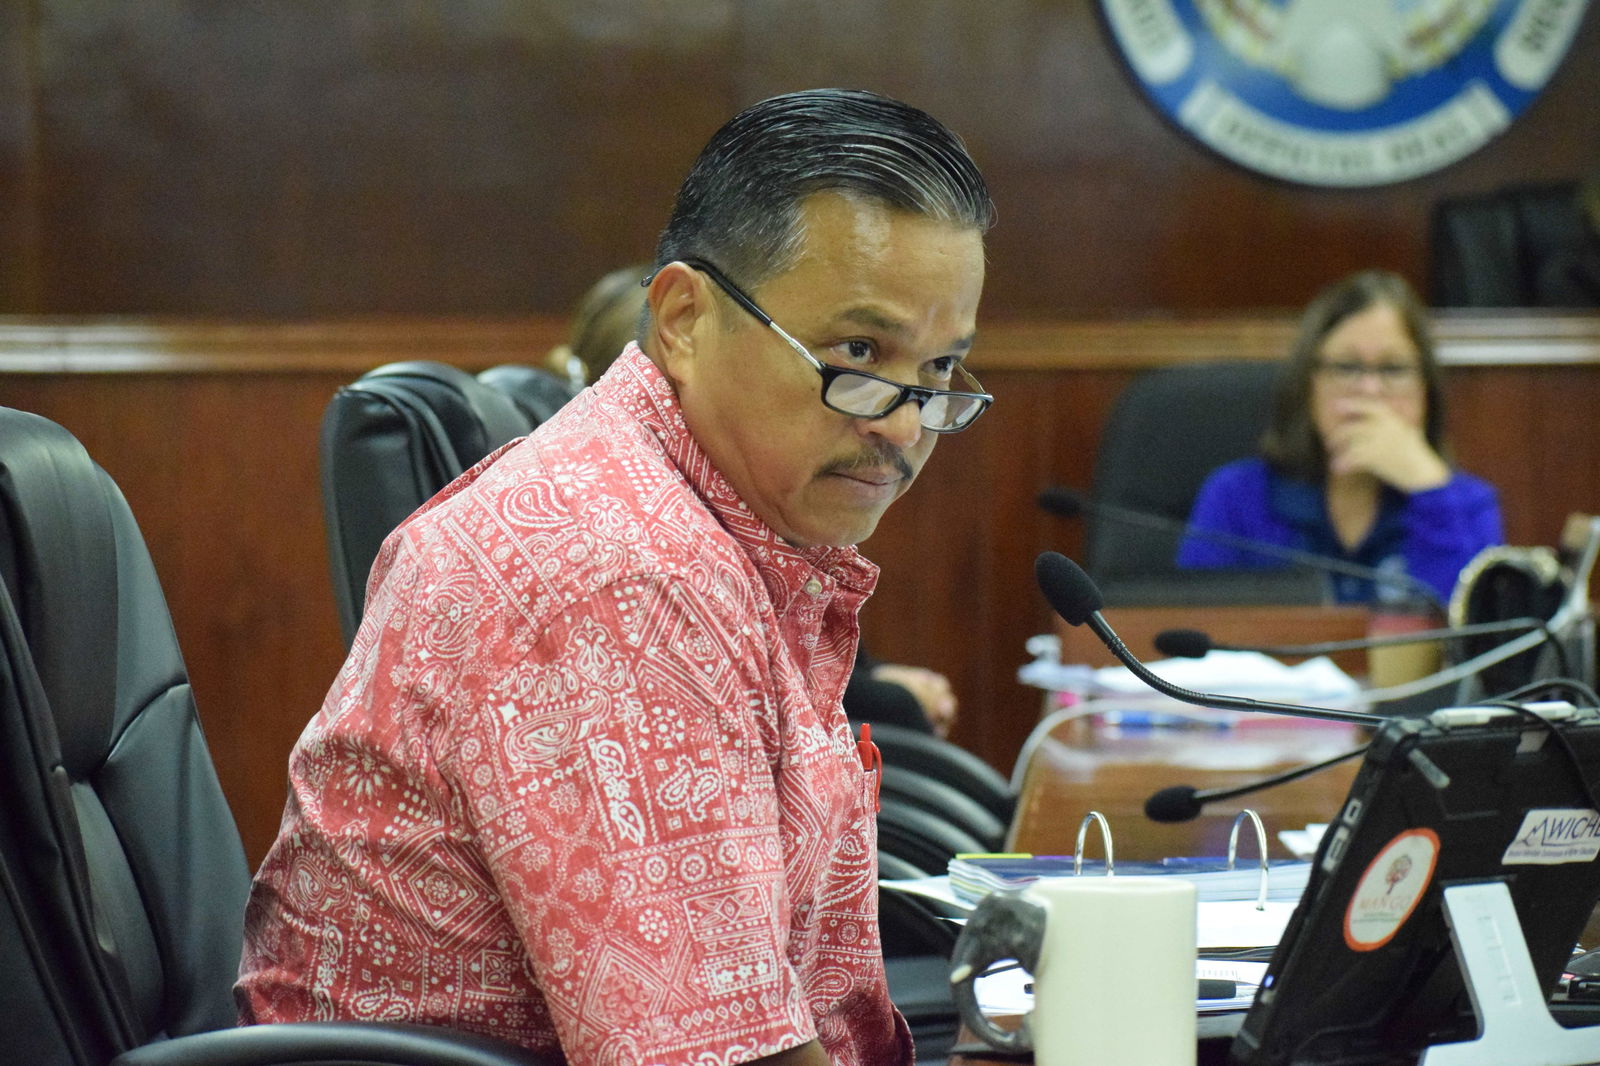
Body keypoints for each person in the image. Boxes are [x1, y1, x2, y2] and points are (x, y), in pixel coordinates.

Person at [236, 88, 995, 1066]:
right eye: (858, 353)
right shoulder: (623, 572)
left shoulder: (713, 518)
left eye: (937, 374)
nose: (900, 426)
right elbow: (720, 1058)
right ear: (683, 318)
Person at [554, 261, 962, 737]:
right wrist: (899, 700)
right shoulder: (637, 560)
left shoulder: (776, 504)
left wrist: (879, 680)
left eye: (941, 365)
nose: (905, 429)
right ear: (678, 333)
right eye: (857, 351)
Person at [1177, 269, 1502, 607]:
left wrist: (1430, 489)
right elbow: (1196, 631)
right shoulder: (1235, 496)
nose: (1369, 390)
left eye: (1393, 369)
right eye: (1347, 367)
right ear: (1308, 385)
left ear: (1426, 390)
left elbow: (1473, 639)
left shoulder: (1469, 506)